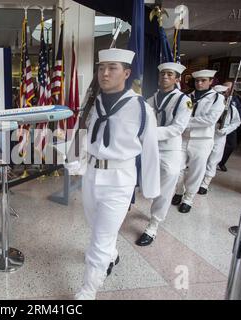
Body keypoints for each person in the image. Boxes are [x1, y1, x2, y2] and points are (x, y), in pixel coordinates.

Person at [67, 48, 160, 300]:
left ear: (126, 73)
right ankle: (112, 254)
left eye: (112, 68)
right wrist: (73, 161)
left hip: (120, 179)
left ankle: (88, 291)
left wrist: (151, 189)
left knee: (100, 238)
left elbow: (151, 149)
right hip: (92, 176)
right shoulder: (92, 103)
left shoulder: (141, 108)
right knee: (95, 225)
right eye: (101, 68)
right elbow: (80, 132)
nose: (104, 73)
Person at [135, 62, 192, 246]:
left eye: (169, 74)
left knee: (166, 187)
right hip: (150, 149)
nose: (165, 77)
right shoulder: (152, 99)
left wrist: (149, 134)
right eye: (162, 74)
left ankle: (153, 225)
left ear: (177, 79)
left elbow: (177, 128)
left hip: (170, 150)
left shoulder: (184, 100)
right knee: (146, 184)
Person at [172, 69, 225, 213]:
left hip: (202, 140)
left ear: (210, 81)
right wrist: (182, 122)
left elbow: (209, 120)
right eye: (197, 80)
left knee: (196, 171)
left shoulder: (217, 98)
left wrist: (184, 122)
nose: (199, 83)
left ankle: (188, 198)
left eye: (203, 80)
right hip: (183, 138)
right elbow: (177, 114)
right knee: (177, 168)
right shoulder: (187, 96)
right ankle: (178, 191)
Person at [198, 85, 241, 194]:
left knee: (213, 159)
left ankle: (205, 183)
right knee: (201, 158)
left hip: (219, 136)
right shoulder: (206, 106)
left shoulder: (231, 108)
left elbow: (236, 122)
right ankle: (197, 180)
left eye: (222, 94)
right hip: (205, 134)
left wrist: (226, 129)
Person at [216, 82, 241, 172]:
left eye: (229, 89)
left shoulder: (235, 99)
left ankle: (221, 162)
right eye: (225, 88)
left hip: (229, 127)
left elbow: (239, 114)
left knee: (231, 145)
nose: (227, 90)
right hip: (215, 128)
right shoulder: (216, 98)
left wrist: (230, 127)